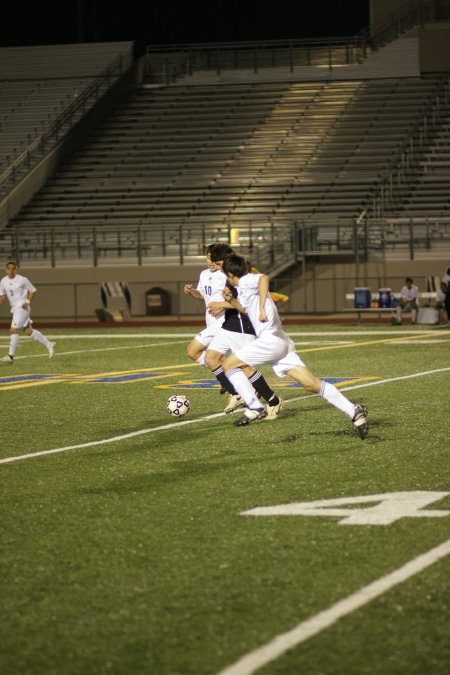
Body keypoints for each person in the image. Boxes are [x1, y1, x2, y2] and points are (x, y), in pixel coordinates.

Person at [220, 254, 368, 439]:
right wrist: (232, 301)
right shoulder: (243, 288)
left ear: (230, 274)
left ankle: (255, 406)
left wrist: (264, 308)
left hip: (270, 340)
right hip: (280, 343)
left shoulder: (246, 280)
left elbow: (264, 278)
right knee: (310, 384)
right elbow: (246, 309)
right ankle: (354, 412)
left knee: (228, 364)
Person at [205, 244, 283, 419]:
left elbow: (247, 303)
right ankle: (239, 394)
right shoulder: (229, 273)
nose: (217, 268)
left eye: (218, 264)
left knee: (245, 367)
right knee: (211, 358)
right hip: (229, 323)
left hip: (243, 325)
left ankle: (273, 401)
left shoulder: (241, 272)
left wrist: (222, 304)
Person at [0, 260, 55, 363]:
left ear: (16, 269)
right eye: (9, 269)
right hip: (15, 309)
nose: (11, 271)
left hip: (22, 308)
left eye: (13, 269)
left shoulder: (22, 280)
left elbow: (33, 291)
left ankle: (10, 357)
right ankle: (49, 344)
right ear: (6, 270)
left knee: (13, 330)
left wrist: (28, 301)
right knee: (28, 331)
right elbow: (2, 297)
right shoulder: (3, 281)